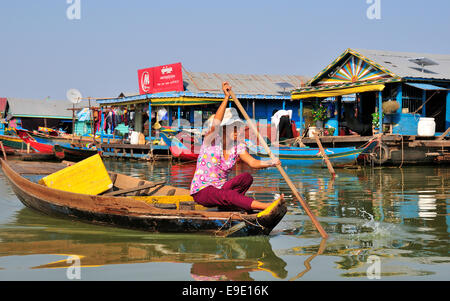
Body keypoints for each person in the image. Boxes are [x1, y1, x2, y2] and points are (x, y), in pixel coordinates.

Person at [190, 82, 283, 212]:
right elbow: (216, 122)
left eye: (238, 128)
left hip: (221, 188)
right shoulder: (211, 140)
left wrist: (270, 163)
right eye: (234, 128)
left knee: (246, 178)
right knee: (230, 195)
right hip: (203, 191)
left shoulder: (236, 147)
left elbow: (253, 162)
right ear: (223, 129)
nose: (238, 131)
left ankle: (230, 204)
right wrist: (226, 97)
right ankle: (265, 206)